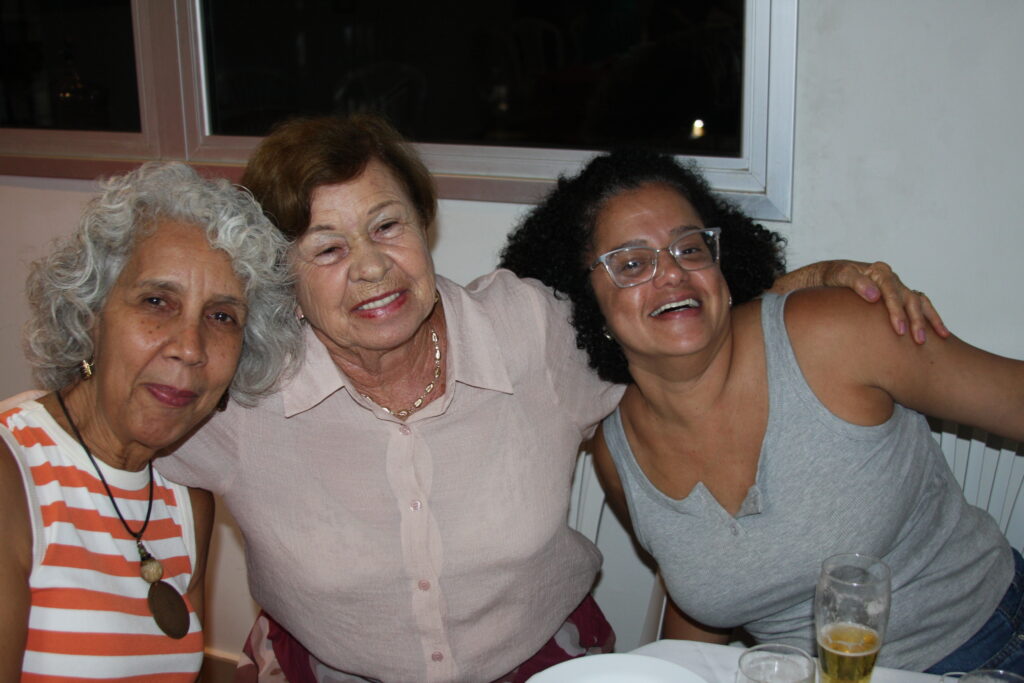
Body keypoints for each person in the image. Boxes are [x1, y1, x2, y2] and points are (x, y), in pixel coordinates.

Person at [157, 115, 940, 683]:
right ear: (281, 275)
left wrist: (802, 289)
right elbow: (118, 433)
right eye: (327, 247)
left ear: (425, 228)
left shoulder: (530, 330)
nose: (370, 266)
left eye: (387, 226)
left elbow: (672, 321)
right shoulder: (240, 389)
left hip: (544, 669)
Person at [499, 148, 1024, 673]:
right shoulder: (618, 454)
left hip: (989, 652)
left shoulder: (835, 334)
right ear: (585, 300)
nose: (673, 273)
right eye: (632, 263)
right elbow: (706, 593)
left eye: (690, 248)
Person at [0, 162, 302, 680]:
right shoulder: (13, 473)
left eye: (222, 316)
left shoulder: (185, 498)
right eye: (157, 301)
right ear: (91, 314)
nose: (190, 347)